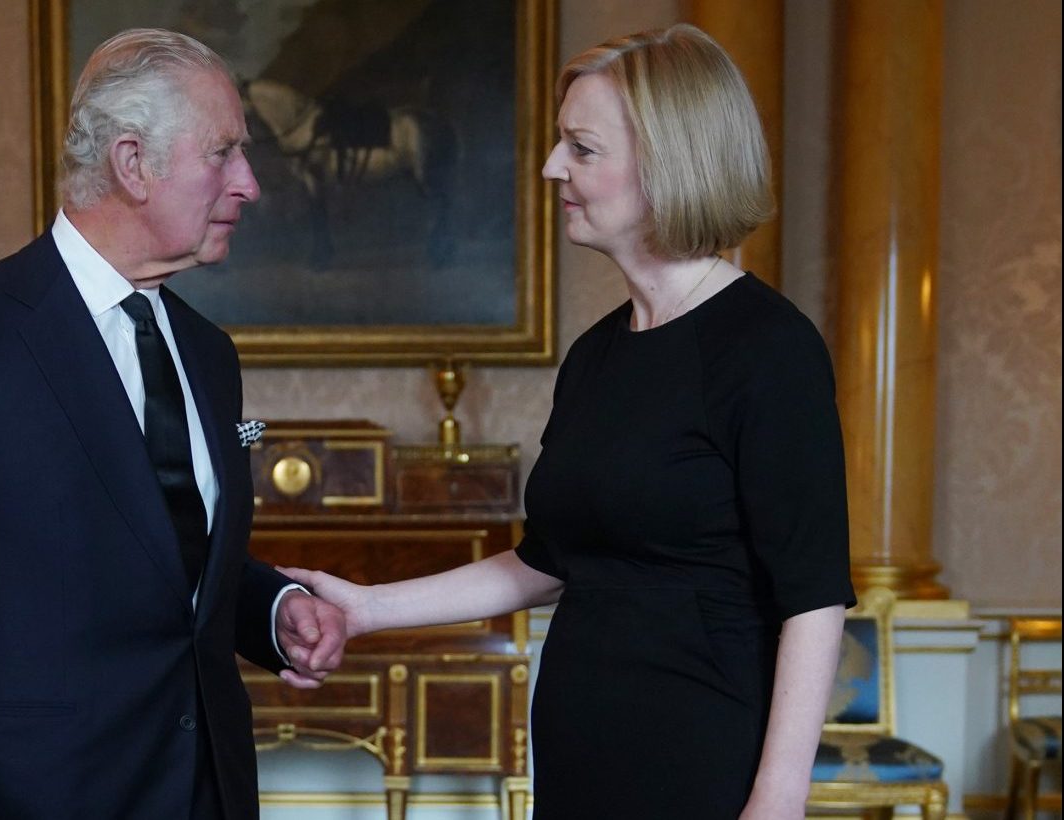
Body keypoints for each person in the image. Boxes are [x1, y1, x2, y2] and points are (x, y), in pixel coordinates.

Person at [281, 24, 854, 820]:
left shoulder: (766, 348)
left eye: (580, 148)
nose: (552, 167)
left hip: (702, 758)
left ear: (666, 161)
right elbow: (549, 561)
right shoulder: (597, 354)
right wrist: (368, 608)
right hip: (578, 746)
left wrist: (779, 796)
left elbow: (813, 594)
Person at [0, 29, 346, 820]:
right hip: (26, 796)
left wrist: (271, 609)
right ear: (132, 164)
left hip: (210, 794)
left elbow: (168, 559)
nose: (249, 184)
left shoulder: (208, 353)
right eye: (223, 153)